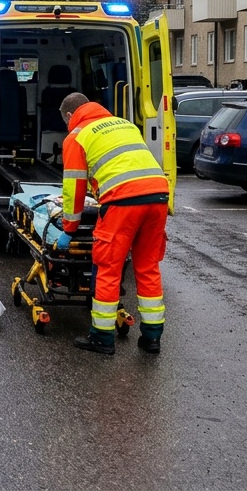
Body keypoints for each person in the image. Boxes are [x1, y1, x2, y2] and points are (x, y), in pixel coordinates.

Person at [58, 92, 170, 356]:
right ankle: (152, 338)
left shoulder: (77, 136)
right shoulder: (124, 124)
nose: (66, 125)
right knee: (147, 266)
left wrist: (69, 228)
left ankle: (102, 338)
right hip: (158, 196)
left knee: (108, 267)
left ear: (71, 115)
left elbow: (74, 187)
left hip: (123, 202)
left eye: (65, 120)